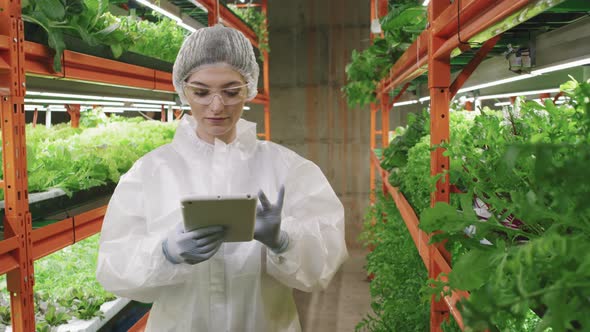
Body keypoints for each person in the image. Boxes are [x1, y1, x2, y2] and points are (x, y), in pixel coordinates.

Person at [96, 24, 348, 331]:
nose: (216, 106)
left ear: (249, 89)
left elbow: (324, 263)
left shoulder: (288, 168)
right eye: (201, 92)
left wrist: (283, 240)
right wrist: (164, 253)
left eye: (231, 92)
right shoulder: (149, 173)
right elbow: (113, 267)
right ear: (182, 89)